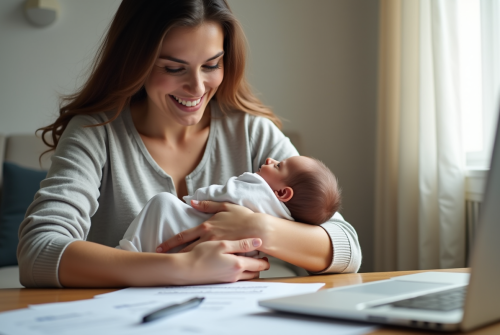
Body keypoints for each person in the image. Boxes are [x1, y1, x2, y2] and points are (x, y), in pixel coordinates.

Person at [17, 0, 362, 288]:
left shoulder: (253, 132)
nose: (197, 87)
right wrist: (183, 269)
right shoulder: (96, 133)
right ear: (135, 63)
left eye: (211, 65)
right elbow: (39, 251)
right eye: (173, 68)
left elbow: (347, 249)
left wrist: (258, 229)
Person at [118, 156, 342, 253]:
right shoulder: (289, 217)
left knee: (162, 203)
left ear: (283, 192)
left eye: (278, 165)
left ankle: (127, 252)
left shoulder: (257, 187)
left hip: (196, 231)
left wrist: (198, 196)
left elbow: (226, 192)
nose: (269, 160)